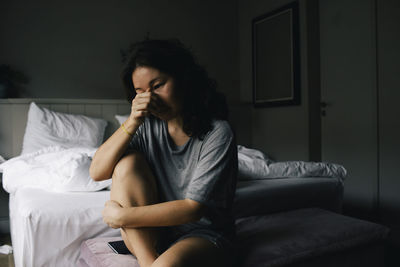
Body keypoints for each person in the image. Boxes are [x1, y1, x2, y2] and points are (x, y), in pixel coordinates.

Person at [90, 38, 238, 267]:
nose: (150, 98)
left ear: (184, 79)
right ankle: (149, 262)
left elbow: (193, 209)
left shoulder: (218, 132)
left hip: (204, 235)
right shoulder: (145, 125)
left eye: (158, 86)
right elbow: (97, 172)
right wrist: (132, 121)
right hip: (153, 234)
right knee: (126, 163)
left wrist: (121, 217)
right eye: (141, 91)